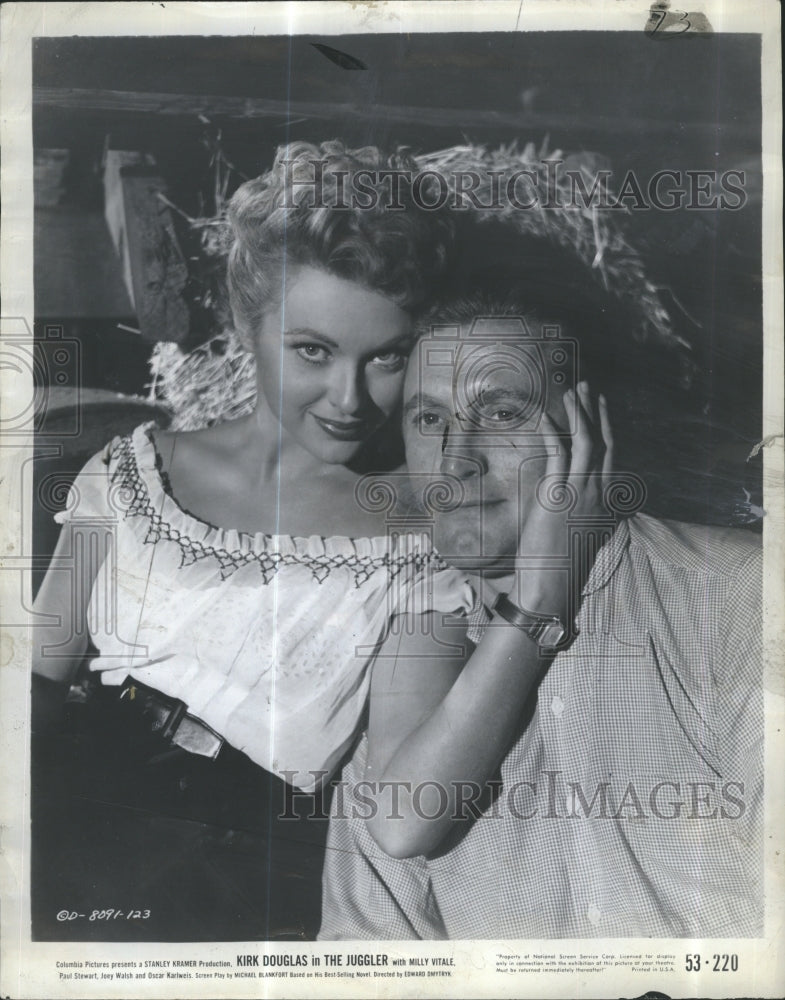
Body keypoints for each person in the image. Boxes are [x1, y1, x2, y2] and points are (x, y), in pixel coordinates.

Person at [30, 139, 463, 940]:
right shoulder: (130, 473)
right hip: (72, 813)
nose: (348, 399)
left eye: (386, 358)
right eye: (312, 350)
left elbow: (406, 808)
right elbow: (33, 680)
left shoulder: (419, 541)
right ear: (243, 323)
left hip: (241, 878)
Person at [319, 220, 763, 940]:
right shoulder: (404, 660)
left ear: (591, 425)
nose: (455, 460)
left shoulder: (742, 599)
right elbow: (365, 955)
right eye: (428, 418)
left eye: (500, 413)